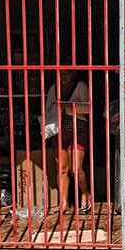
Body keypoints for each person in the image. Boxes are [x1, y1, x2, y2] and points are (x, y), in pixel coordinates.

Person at [43, 70, 92, 214]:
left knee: (76, 169)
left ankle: (85, 193)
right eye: (61, 73)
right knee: (62, 169)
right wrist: (56, 106)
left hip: (78, 129)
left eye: (66, 73)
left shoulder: (80, 86)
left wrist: (70, 106)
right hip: (59, 131)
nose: (63, 76)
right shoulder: (54, 88)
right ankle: (63, 203)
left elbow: (88, 108)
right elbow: (47, 109)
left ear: (74, 74)